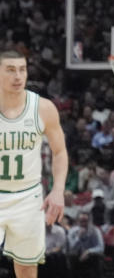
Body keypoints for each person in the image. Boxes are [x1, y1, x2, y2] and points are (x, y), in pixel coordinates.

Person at [0, 51, 68, 277]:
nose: (18, 76)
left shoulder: (44, 108)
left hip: (27, 196)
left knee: (27, 268)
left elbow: (59, 152)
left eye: (22, 69)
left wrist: (58, 191)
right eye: (10, 69)